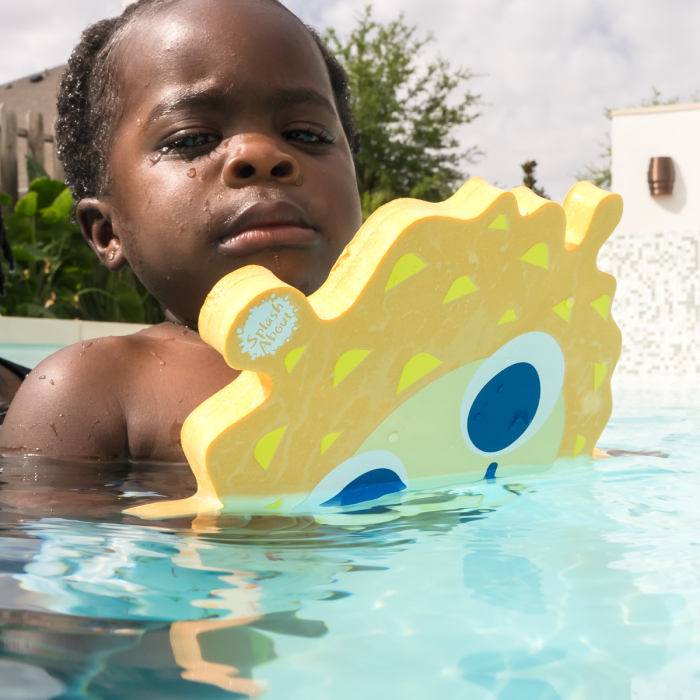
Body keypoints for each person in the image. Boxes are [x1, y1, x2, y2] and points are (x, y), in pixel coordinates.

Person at [0, 0, 363, 462]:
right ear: (109, 231)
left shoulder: (421, 353)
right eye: (191, 138)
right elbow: (45, 533)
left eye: (308, 134)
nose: (261, 154)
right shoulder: (91, 390)